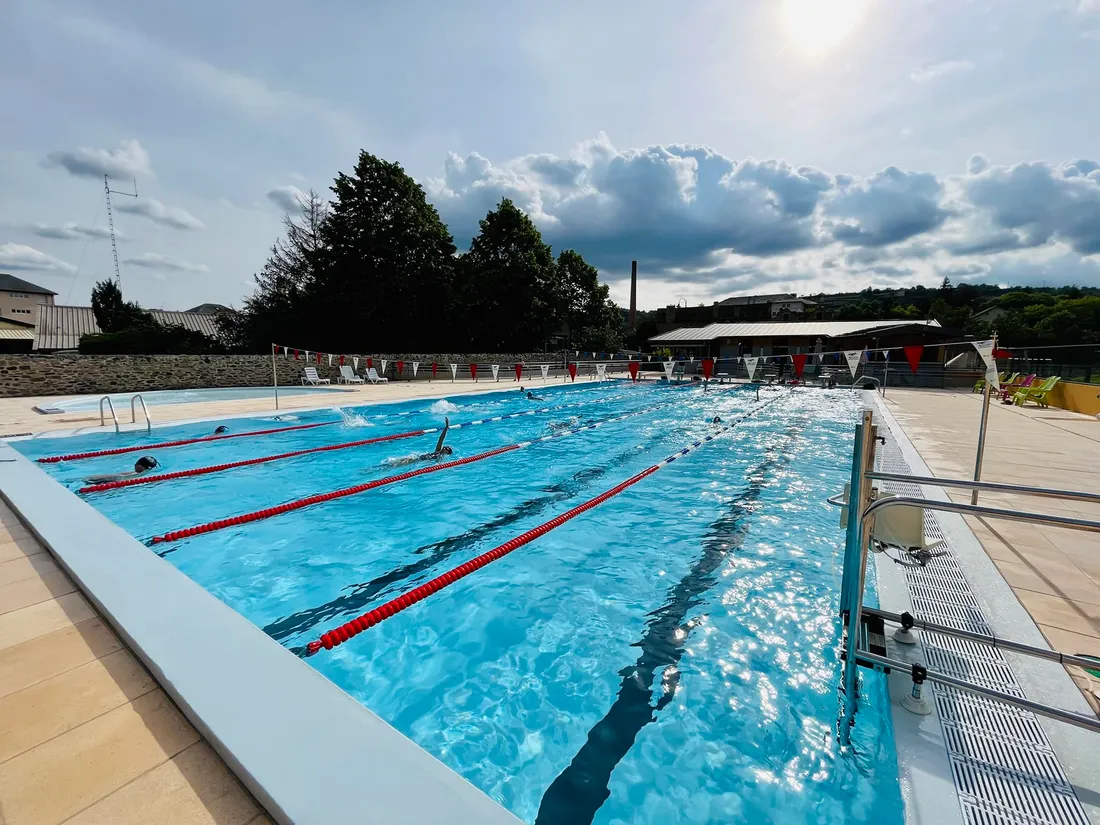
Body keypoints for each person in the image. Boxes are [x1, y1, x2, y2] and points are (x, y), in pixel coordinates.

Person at [386, 418, 453, 467]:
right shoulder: (438, 451)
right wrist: (446, 427)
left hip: (418, 461)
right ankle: (386, 465)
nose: (445, 447)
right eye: (446, 446)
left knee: (397, 464)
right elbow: (441, 439)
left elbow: (437, 464)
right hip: (417, 457)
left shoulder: (440, 456)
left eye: (447, 448)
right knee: (396, 461)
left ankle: (386, 467)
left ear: (447, 453)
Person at [85, 455, 158, 484]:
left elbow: (118, 478)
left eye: (137, 463)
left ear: (141, 466)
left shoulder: (135, 475)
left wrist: (95, 478)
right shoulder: (146, 473)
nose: (134, 465)